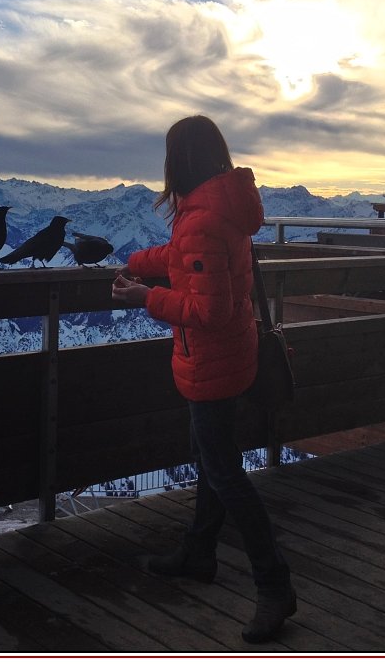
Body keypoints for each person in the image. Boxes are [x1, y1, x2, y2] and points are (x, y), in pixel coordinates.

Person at [111, 115, 296, 643]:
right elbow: (189, 260)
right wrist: (139, 262)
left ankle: (274, 583)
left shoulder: (200, 217)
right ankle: (198, 552)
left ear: (178, 162)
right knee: (212, 460)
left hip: (211, 359)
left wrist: (142, 296)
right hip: (234, 354)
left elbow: (206, 309)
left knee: (224, 472)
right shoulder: (221, 206)